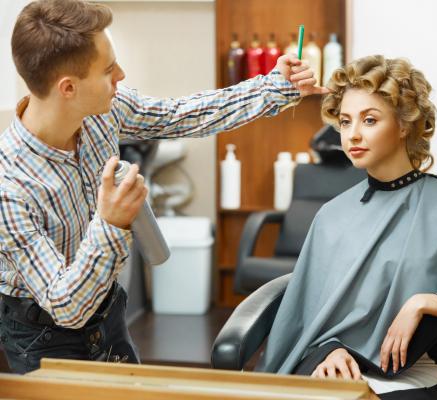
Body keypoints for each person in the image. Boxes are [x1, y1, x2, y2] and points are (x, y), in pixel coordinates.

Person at [0, 0, 326, 374]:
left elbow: (181, 114)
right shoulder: (9, 186)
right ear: (68, 88)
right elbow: (66, 307)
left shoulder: (103, 114)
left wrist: (274, 87)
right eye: (108, 70)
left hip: (107, 309)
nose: (121, 75)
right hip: (43, 333)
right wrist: (110, 224)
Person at [256, 55, 437, 399]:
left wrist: (425, 302)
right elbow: (304, 319)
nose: (353, 135)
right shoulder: (332, 215)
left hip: (411, 370)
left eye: (369, 120)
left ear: (405, 124)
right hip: (329, 364)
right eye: (345, 121)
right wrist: (325, 351)